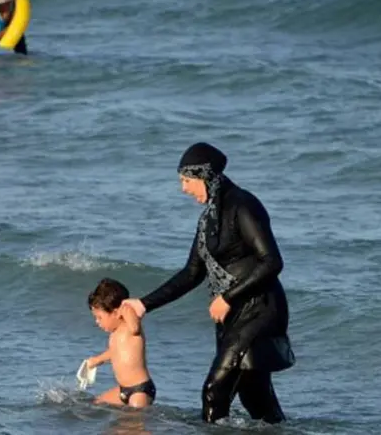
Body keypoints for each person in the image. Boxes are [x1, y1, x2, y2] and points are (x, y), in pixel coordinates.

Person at [123, 142, 295, 424]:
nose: (184, 189)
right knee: (256, 398)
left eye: (186, 181)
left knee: (214, 392)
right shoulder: (208, 219)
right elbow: (192, 273)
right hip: (232, 316)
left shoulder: (243, 205)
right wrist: (143, 304)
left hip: (260, 310)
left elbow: (272, 261)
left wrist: (227, 297)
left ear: (205, 176)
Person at [86, 278, 156, 408]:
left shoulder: (130, 325)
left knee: (134, 423)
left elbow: (135, 328)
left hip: (139, 390)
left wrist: (126, 309)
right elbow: (115, 352)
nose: (97, 322)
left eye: (100, 317)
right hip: (123, 390)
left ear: (116, 312)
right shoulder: (115, 334)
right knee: (96, 403)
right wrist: (97, 360)